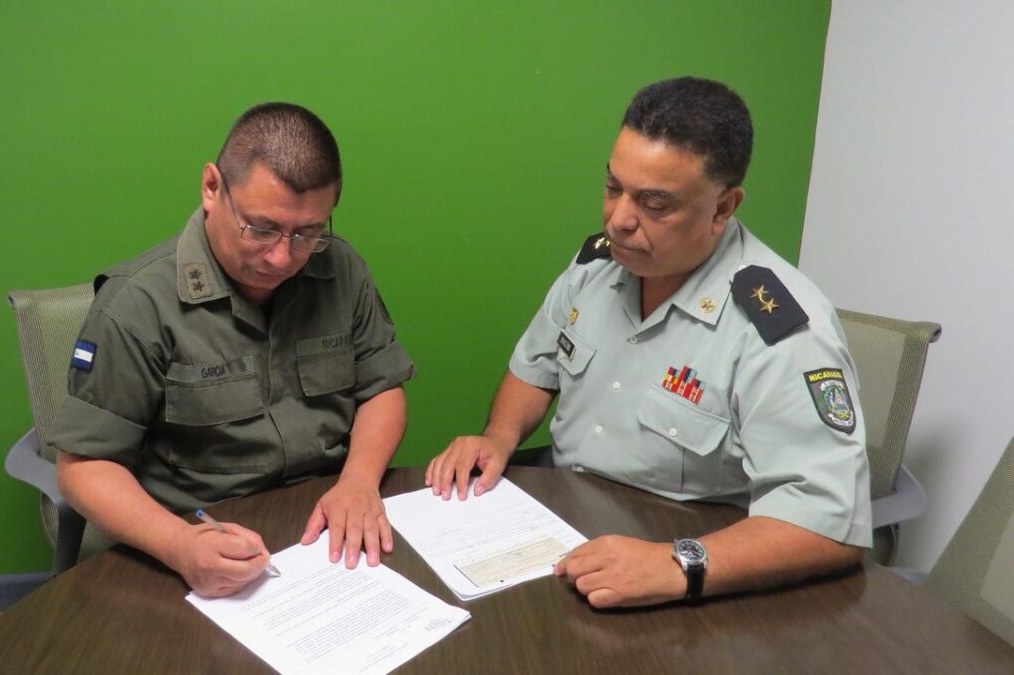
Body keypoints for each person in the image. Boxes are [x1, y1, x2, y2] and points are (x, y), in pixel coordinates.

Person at [425, 77, 871, 608]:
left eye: (655, 204)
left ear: (723, 208)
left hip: (691, 565)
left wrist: (678, 563)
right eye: (614, 188)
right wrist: (499, 438)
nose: (618, 220)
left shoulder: (778, 329)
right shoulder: (597, 265)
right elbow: (536, 367)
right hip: (568, 533)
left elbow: (830, 524)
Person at [48, 102, 415, 598]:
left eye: (308, 233)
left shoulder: (340, 269)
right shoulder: (137, 304)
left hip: (328, 524)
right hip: (203, 539)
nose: (283, 257)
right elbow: (84, 467)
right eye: (261, 228)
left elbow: (381, 388)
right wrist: (179, 543)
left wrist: (359, 480)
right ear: (212, 188)